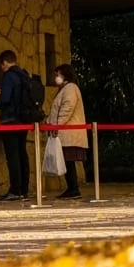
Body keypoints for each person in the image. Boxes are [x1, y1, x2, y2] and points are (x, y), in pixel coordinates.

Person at [45, 64, 88, 199]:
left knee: (68, 160)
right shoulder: (65, 88)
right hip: (65, 131)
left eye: (58, 74)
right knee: (66, 160)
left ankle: (73, 188)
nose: (56, 77)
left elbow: (67, 108)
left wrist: (57, 125)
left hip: (68, 132)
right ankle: (72, 187)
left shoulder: (70, 88)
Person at [0, 50, 31, 201]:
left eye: (1, 65)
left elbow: (5, 99)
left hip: (10, 120)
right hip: (24, 119)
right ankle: (24, 189)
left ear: (4, 62)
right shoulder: (24, 74)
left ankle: (15, 189)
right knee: (22, 153)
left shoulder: (9, 76)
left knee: (13, 156)